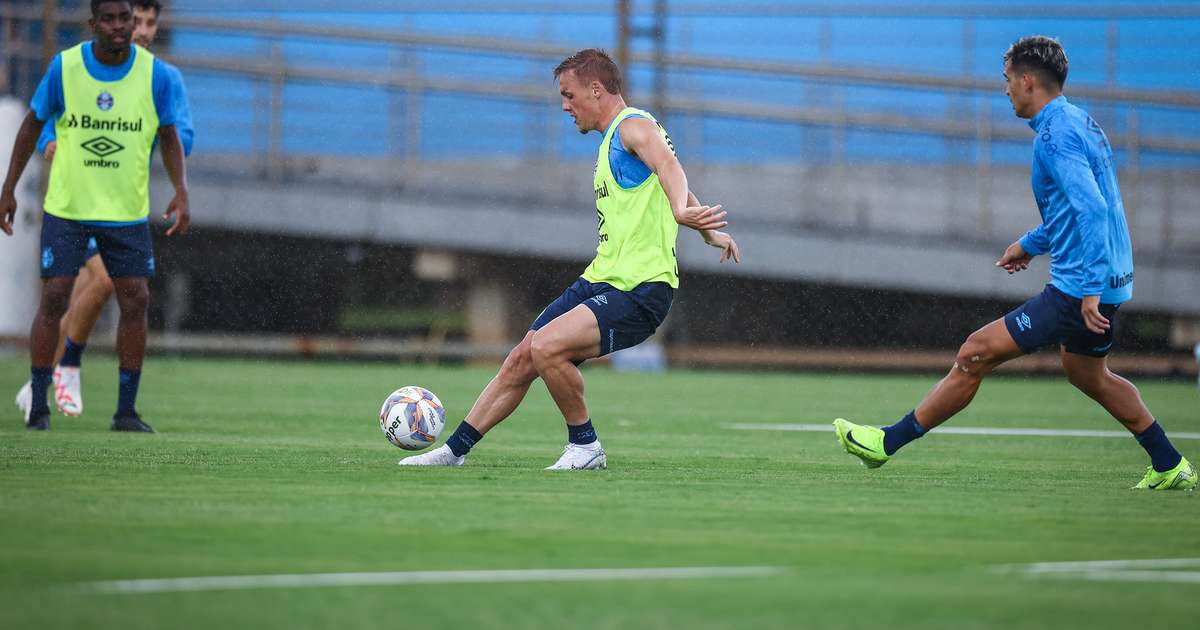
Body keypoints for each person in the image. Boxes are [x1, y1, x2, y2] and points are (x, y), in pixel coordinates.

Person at [833, 36, 1194, 491]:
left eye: (1007, 80)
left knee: (975, 352)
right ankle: (1169, 463)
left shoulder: (1057, 134)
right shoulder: (1077, 121)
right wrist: (1030, 242)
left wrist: (1088, 290)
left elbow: (1094, 211)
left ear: (1027, 81)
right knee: (1088, 374)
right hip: (1107, 278)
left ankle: (886, 442)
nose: (1005, 90)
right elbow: (1075, 209)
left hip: (1081, 286)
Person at [400, 48, 740, 469]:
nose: (564, 106)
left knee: (547, 347)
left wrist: (680, 211)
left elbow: (669, 164)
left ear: (596, 90)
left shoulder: (633, 125)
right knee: (523, 357)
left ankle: (585, 445)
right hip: (602, 279)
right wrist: (707, 230)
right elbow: (667, 176)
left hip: (639, 288)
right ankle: (454, 452)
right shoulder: (617, 139)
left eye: (568, 94)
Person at [1, 0, 191, 432]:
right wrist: (8, 187)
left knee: (136, 299)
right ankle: (39, 403)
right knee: (54, 297)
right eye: (110, 18)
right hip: (69, 208)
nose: (121, 26)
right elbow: (32, 123)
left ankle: (126, 411)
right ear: (93, 24)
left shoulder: (155, 73)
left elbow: (170, 133)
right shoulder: (65, 67)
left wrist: (182, 191)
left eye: (126, 18)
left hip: (125, 212)